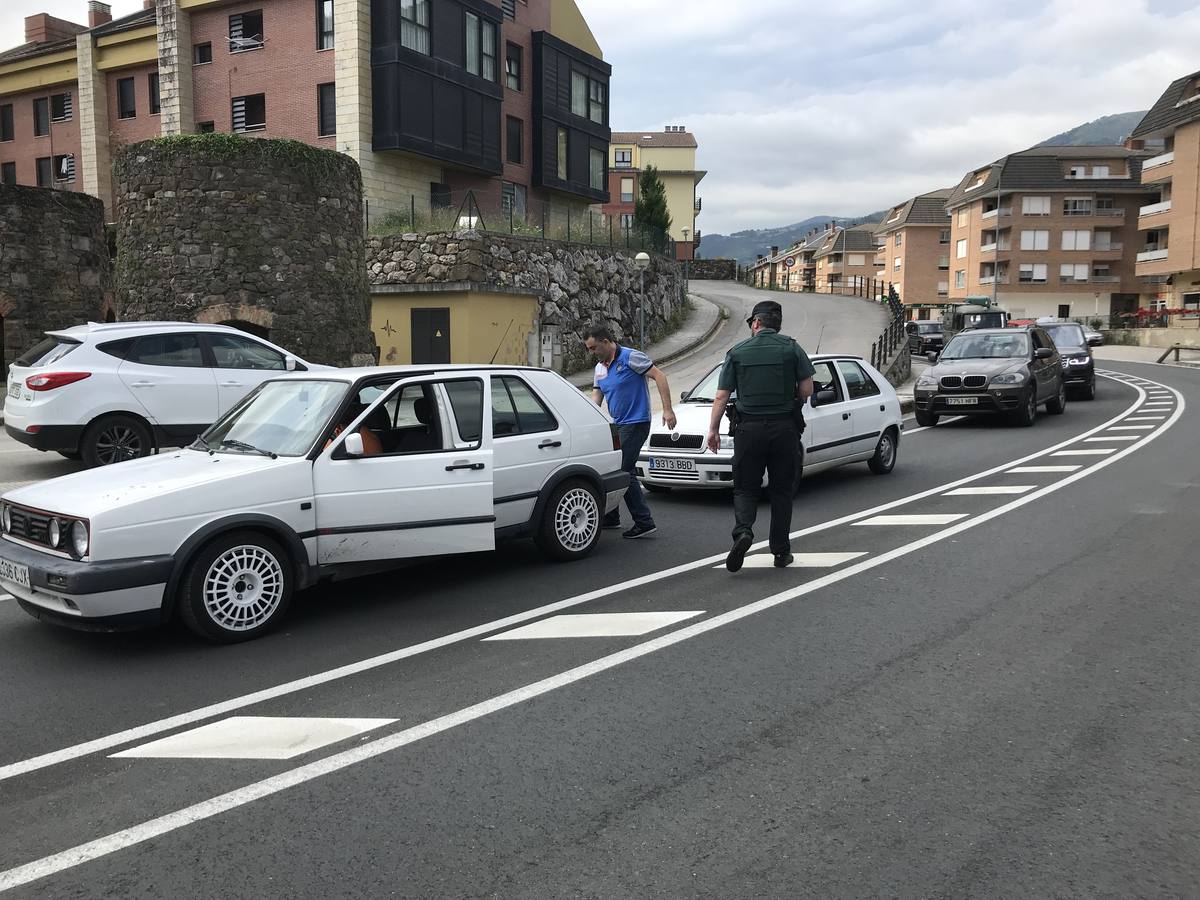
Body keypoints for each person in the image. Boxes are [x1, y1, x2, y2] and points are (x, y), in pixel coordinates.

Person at [705, 300, 815, 572]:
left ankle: (743, 531)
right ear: (776, 324)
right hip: (784, 430)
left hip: (748, 430)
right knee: (781, 491)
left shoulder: (737, 352)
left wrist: (713, 430)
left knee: (745, 487)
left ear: (756, 323)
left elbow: (721, 395)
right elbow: (807, 389)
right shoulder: (791, 347)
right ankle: (781, 551)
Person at [585, 325, 678, 539]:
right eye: (589, 349)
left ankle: (644, 521)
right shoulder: (599, 368)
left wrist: (667, 409)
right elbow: (596, 399)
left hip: (636, 423)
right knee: (610, 467)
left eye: (594, 348)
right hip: (617, 425)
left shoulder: (630, 357)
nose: (592, 353)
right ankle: (612, 516)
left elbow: (660, 376)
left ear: (606, 342)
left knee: (624, 471)